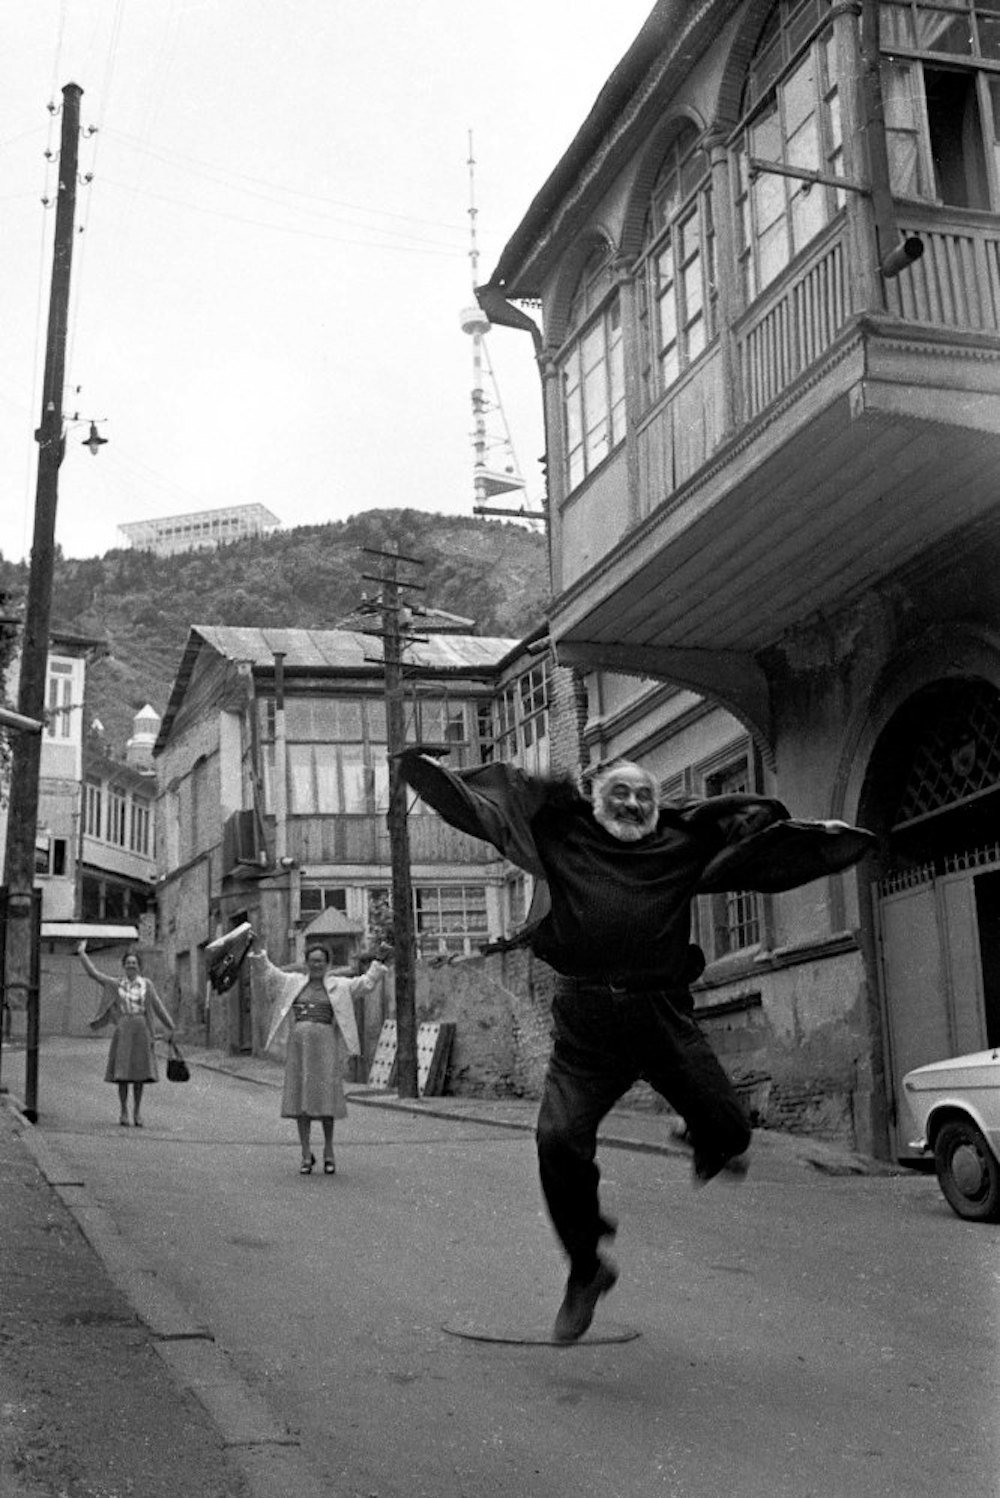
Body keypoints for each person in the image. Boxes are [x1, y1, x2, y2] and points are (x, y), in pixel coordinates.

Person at [399, 747, 873, 1343]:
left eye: (644, 795)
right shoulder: (562, 833)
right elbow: (488, 814)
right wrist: (434, 781)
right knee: (556, 1141)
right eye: (619, 793)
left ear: (659, 804)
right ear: (597, 801)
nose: (631, 803)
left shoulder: (684, 842)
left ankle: (705, 1134)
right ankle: (586, 1268)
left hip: (660, 1016)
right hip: (587, 1026)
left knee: (731, 1132)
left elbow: (762, 853)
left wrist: (835, 843)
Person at [249, 935, 387, 1175]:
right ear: (306, 962)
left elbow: (365, 983)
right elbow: (268, 972)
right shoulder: (292, 982)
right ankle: (305, 1153)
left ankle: (329, 1151)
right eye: (312, 961)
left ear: (328, 963)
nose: (316, 965)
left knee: (325, 1101)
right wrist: (258, 950)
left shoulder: (340, 986)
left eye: (321, 961)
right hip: (299, 1048)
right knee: (301, 1101)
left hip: (325, 1049)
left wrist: (380, 961)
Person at [77, 941, 175, 1128]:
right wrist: (82, 953)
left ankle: (137, 1112)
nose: (131, 966)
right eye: (128, 963)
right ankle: (123, 1111)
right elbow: (94, 974)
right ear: (124, 966)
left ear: (139, 967)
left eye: (134, 963)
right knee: (122, 1074)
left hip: (142, 1031)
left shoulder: (147, 985)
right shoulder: (116, 984)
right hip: (123, 1031)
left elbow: (157, 1007)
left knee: (140, 1075)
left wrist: (170, 1026)